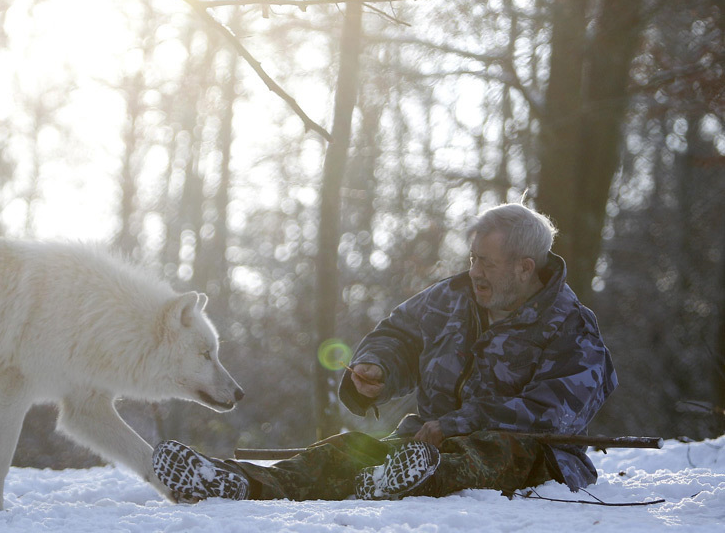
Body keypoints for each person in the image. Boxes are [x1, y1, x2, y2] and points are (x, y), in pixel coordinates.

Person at [152, 202, 618, 502]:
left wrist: (455, 426)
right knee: (345, 451)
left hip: (529, 457)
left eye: (487, 263)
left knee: (489, 451)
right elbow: (399, 333)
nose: (474, 271)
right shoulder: (453, 296)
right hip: (419, 445)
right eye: (472, 258)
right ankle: (235, 481)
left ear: (524, 268)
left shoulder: (573, 329)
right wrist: (378, 367)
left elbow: (550, 417)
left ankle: (395, 479)